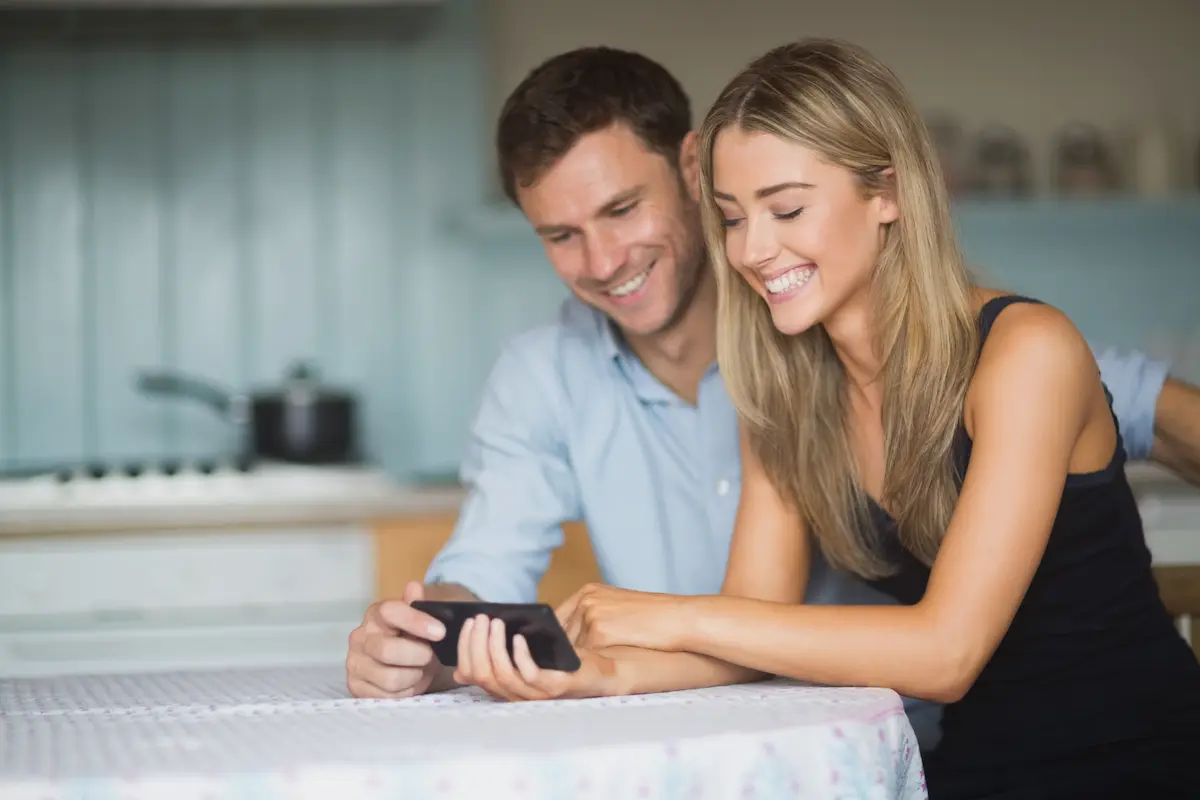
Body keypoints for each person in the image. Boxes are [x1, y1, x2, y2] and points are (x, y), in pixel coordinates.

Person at [344, 44, 1200, 750]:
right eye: (733, 217)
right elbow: (755, 622)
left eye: (786, 209)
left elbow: (946, 653)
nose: (753, 250)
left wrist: (661, 617)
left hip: (1131, 757)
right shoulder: (791, 378)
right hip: (962, 764)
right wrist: (603, 672)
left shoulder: (1028, 351)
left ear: (890, 193)